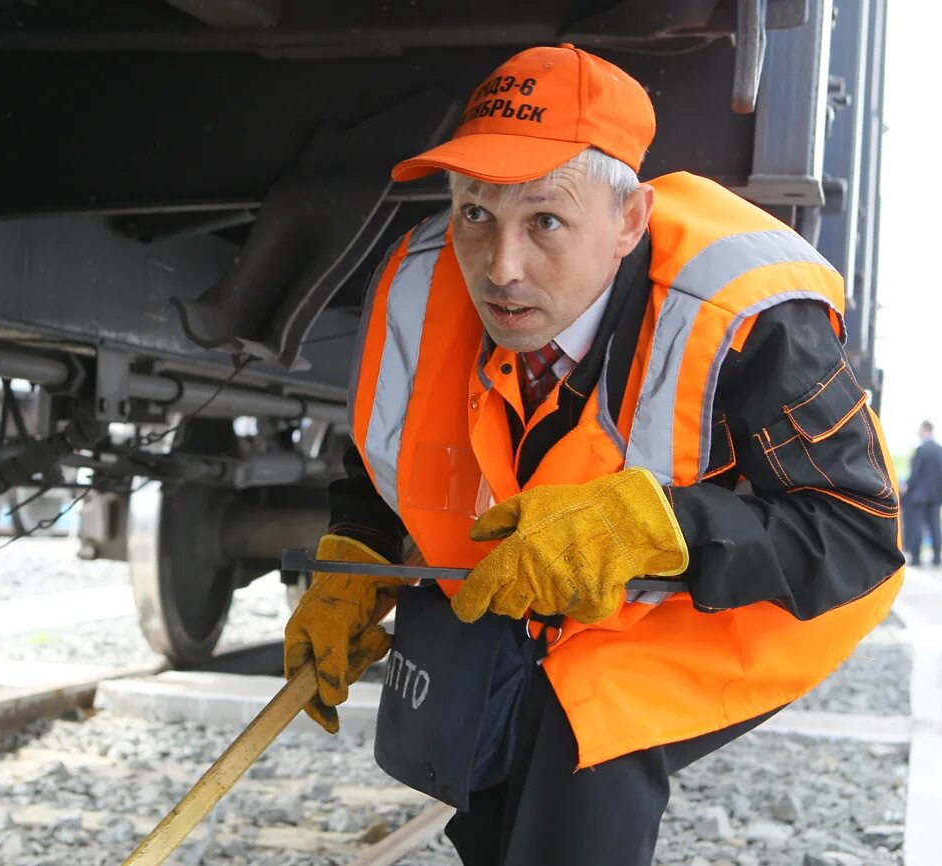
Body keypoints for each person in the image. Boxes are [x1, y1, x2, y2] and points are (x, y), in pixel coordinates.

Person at [284, 44, 905, 865]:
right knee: (479, 756)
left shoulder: (744, 316)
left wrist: (652, 528)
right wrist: (353, 555)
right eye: (475, 212)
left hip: (721, 605)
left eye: (544, 219)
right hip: (541, 581)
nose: (500, 270)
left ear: (628, 221)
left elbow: (857, 535)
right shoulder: (421, 282)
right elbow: (392, 443)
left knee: (582, 733)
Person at [902, 420, 942, 566]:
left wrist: (906, 486)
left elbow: (915, 474)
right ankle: (937, 558)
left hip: (920, 496)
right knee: (935, 526)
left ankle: (916, 559)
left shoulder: (921, 450)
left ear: (925, 430)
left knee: (917, 526)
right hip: (936, 495)